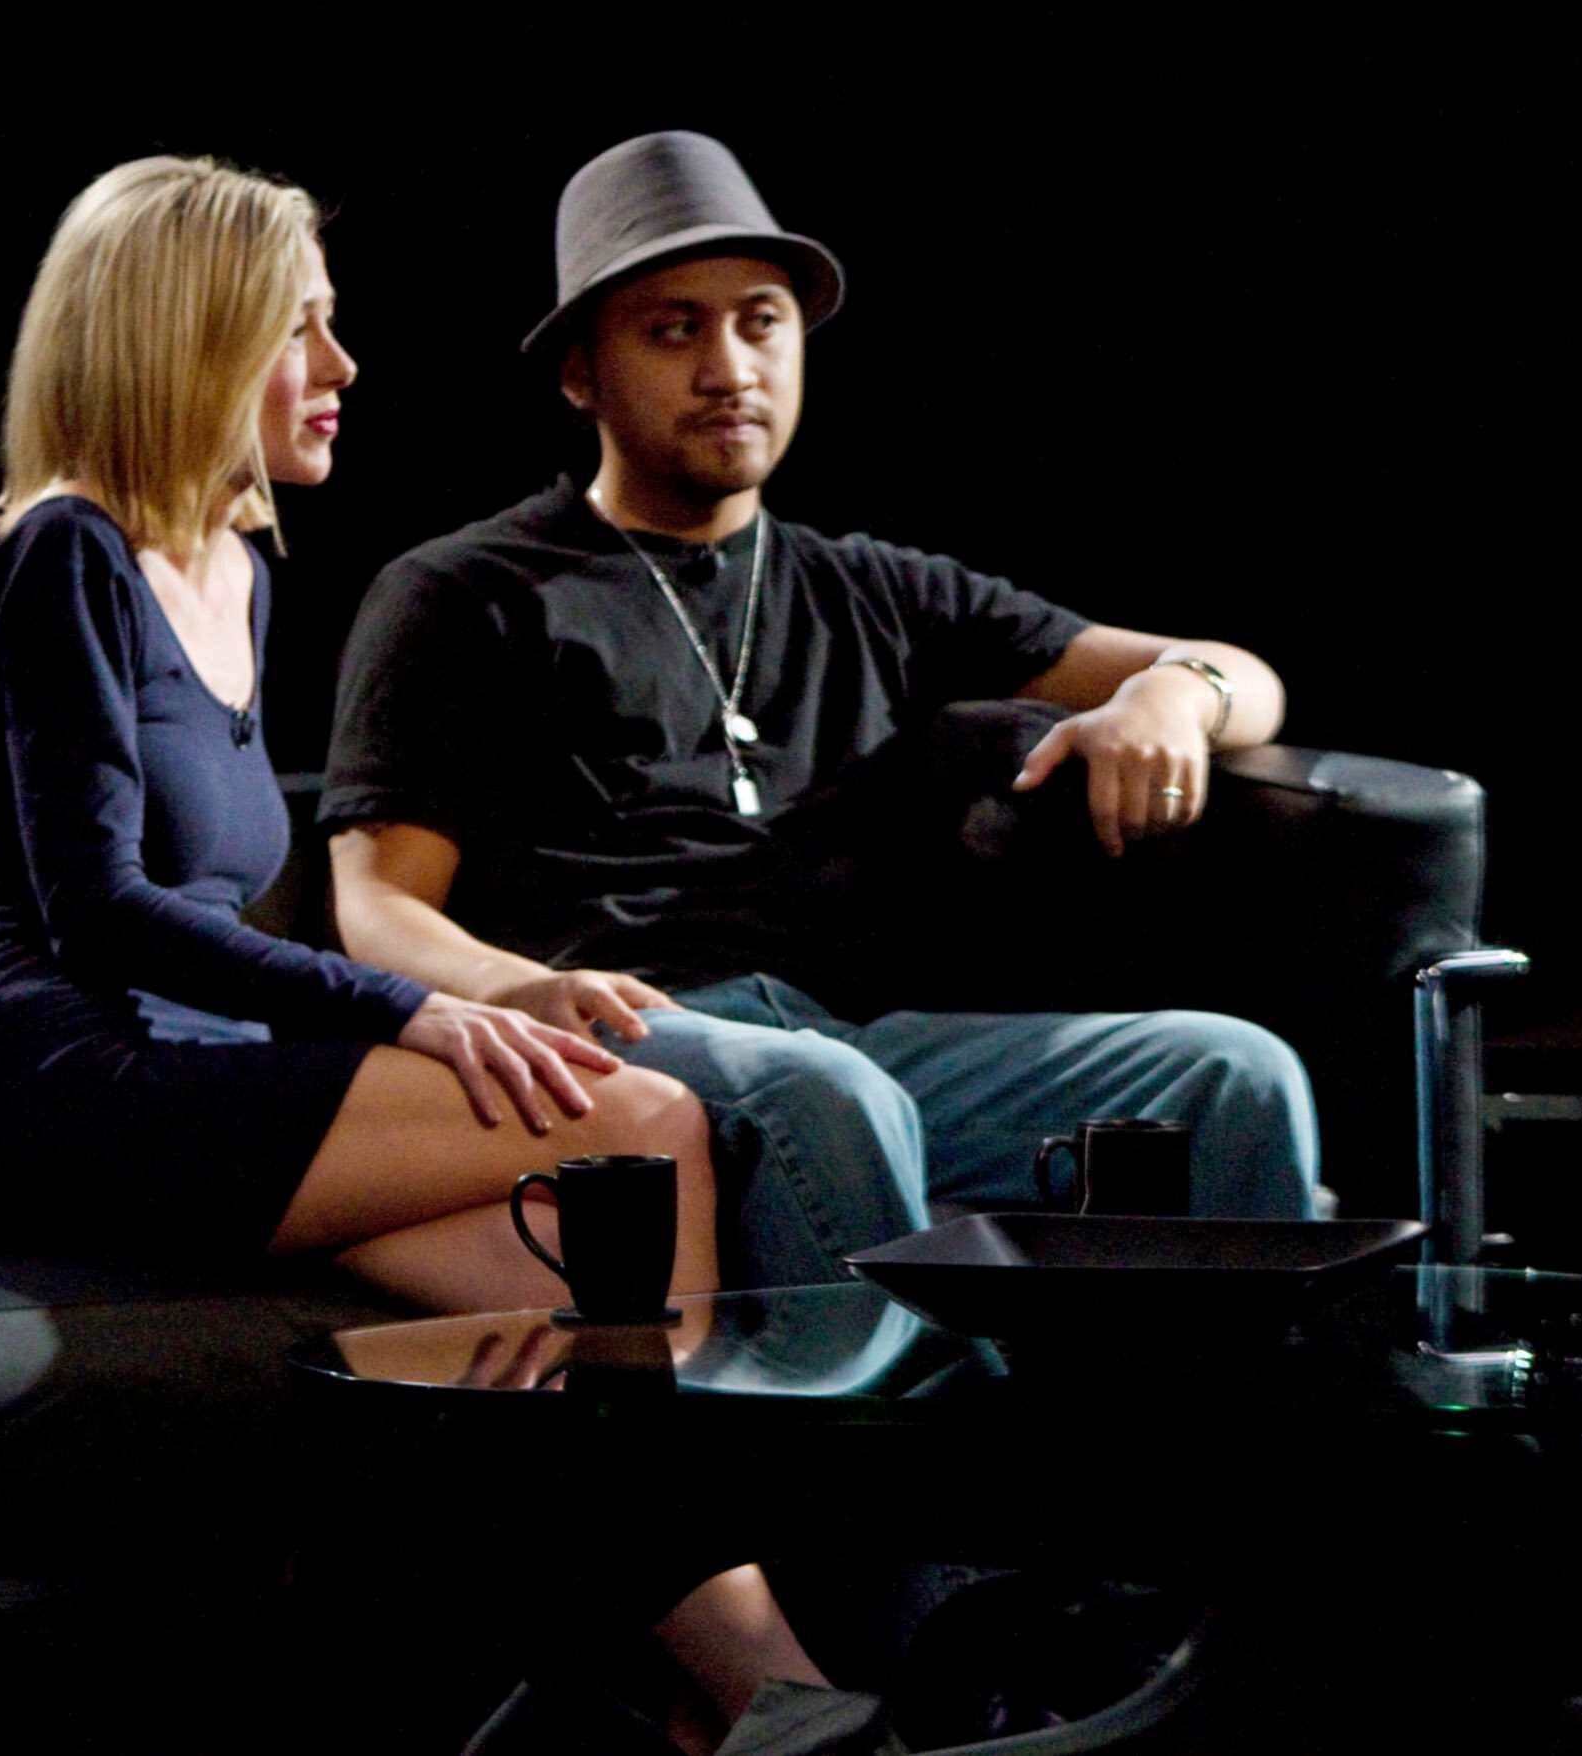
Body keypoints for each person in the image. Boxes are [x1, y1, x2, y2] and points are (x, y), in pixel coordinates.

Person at [0, 156, 822, 1737]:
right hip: (85, 1083)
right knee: (644, 1129)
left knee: (573, 1330)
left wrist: (486, 990)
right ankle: (756, 1693)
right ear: (188, 338)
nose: (344, 371)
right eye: (303, 331)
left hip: (218, 1073)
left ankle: (687, 1695)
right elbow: (100, 910)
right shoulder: (62, 554)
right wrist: (413, 1009)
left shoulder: (241, 565)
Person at [320, 132, 1321, 1291]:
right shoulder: (468, 593)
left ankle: (1256, 1449)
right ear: (581, 374)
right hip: (617, 1035)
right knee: (833, 1097)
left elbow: (1243, 676)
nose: (729, 369)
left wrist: (1169, 693)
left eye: (760, 321)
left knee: (1227, 1071)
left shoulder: (871, 587)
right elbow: (377, 906)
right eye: (672, 329)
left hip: (846, 1040)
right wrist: (512, 987)